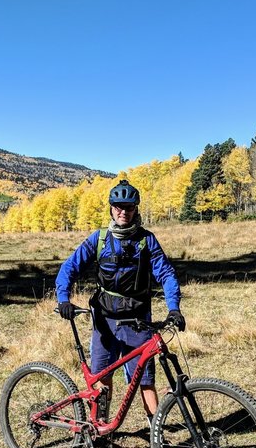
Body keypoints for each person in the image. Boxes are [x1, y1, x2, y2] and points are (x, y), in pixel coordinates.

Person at [55, 179, 185, 426]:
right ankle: (100, 427)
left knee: (146, 380)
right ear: (111, 208)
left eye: (129, 206)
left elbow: (166, 274)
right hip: (104, 321)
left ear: (136, 209)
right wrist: (64, 298)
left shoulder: (147, 241)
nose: (123, 211)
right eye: (118, 206)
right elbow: (69, 267)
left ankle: (157, 435)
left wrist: (174, 307)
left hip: (138, 322)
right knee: (102, 377)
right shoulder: (99, 239)